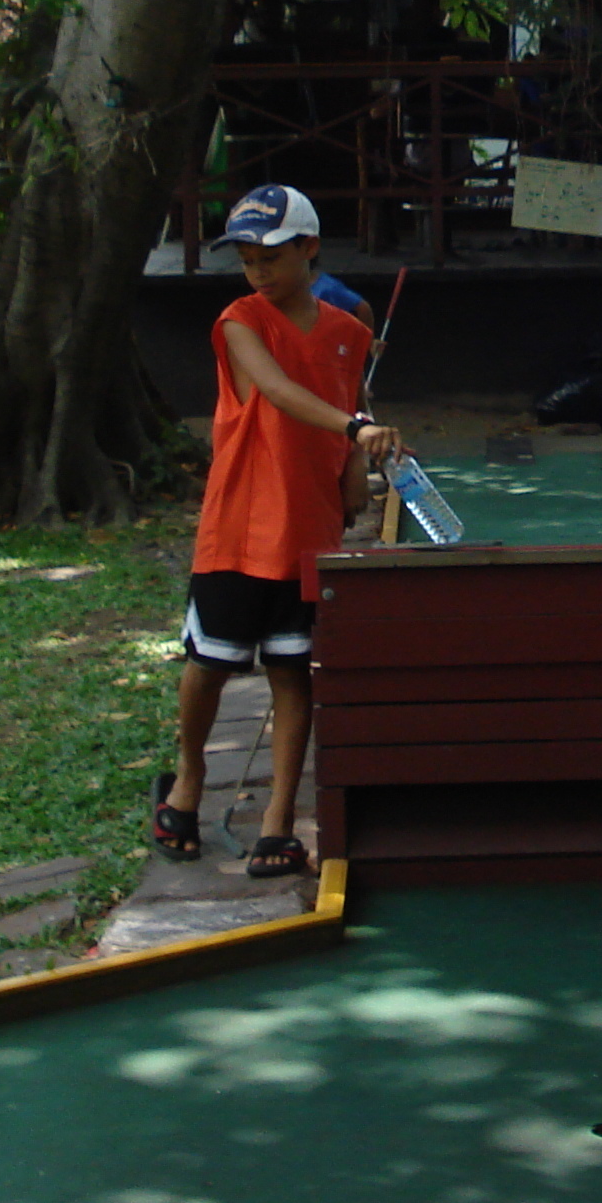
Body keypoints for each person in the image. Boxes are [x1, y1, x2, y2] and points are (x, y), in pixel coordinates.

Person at [152, 184, 400, 877]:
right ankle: (188, 780)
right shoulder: (240, 321)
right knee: (211, 666)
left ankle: (279, 819)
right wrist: (355, 426)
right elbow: (280, 393)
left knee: (294, 675)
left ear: (310, 248)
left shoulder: (351, 334)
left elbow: (353, 409)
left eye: (272, 253)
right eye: (247, 256)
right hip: (237, 526)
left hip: (309, 533)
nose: (258, 268)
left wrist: (359, 458)